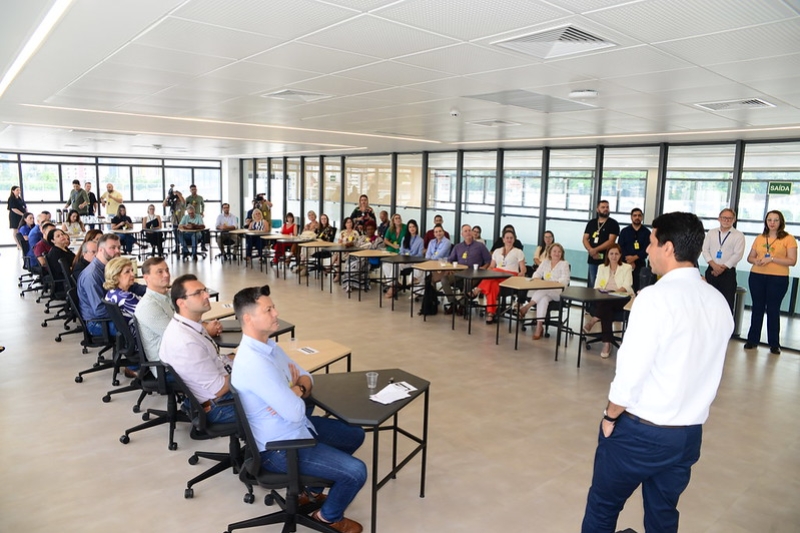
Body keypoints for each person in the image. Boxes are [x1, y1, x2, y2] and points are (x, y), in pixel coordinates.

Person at [581, 212, 733, 533]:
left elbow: (631, 372)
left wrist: (610, 416)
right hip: (687, 436)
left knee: (603, 506)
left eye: (651, 243)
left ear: (667, 247)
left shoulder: (654, 298)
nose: (647, 250)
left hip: (642, 432)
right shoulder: (718, 302)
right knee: (663, 513)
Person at [230, 285, 366, 533]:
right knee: (356, 472)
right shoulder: (254, 362)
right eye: (268, 309)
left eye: (273, 307)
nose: (276, 313)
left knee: (355, 434)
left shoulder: (270, 347)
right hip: (280, 448)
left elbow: (306, 377)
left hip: (297, 426)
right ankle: (327, 517)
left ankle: (309, 493)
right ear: (248, 318)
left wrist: (294, 391)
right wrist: (293, 394)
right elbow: (294, 411)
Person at [159, 274, 236, 424]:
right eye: (198, 293)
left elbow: (213, 361)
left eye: (205, 290)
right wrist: (248, 368)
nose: (207, 295)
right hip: (220, 406)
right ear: (182, 303)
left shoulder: (189, 325)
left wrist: (237, 357)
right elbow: (219, 388)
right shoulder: (186, 342)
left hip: (215, 393)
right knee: (284, 397)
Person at [135, 258, 221, 375]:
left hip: (185, 355)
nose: (166, 275)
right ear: (146, 278)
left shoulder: (169, 296)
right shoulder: (148, 306)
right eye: (159, 272)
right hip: (168, 367)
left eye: (167, 270)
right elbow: (177, 336)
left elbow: (187, 321)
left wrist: (207, 325)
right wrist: (207, 330)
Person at [744, 210, 797, 354]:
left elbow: (792, 261)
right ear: (766, 222)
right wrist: (756, 260)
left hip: (778, 278)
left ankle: (774, 343)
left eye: (775, 220)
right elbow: (750, 258)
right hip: (757, 276)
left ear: (781, 222)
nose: (772, 223)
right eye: (769, 220)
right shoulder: (760, 238)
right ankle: (752, 340)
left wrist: (771, 259)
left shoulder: (788, 239)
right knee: (757, 308)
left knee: (773, 310)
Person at [77, 234, 145, 336]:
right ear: (100, 250)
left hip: (111, 315)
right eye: (112, 248)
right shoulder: (92, 276)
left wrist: (152, 290)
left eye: (119, 247)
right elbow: (99, 310)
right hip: (98, 323)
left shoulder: (110, 267)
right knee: (144, 325)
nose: (118, 251)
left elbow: (132, 287)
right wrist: (127, 311)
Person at [583, 244, 633, 358]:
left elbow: (626, 285)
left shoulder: (626, 267)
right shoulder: (602, 267)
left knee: (607, 304)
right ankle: (607, 343)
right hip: (604, 298)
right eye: (611, 254)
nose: (614, 256)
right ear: (607, 255)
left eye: (616, 254)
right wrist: (604, 292)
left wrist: (614, 293)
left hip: (622, 298)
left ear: (620, 255)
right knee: (607, 309)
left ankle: (594, 320)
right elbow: (596, 285)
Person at [472, 229, 526, 324]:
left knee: (496, 270)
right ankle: (490, 314)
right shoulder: (497, 251)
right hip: (496, 277)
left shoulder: (518, 252)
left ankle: (477, 289)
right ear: (503, 239)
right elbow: (491, 266)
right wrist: (489, 271)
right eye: (507, 238)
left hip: (511, 277)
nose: (509, 240)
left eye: (511, 238)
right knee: (492, 285)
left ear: (514, 239)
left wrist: (521, 276)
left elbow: (523, 269)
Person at [519, 243, 571, 339]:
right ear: (550, 252)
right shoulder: (545, 262)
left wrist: (554, 283)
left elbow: (565, 280)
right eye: (554, 251)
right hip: (546, 291)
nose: (557, 253)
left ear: (562, 254)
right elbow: (537, 273)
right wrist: (537, 278)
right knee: (544, 299)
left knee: (545, 290)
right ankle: (539, 326)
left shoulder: (564, 264)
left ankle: (527, 306)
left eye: (559, 252)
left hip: (558, 292)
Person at [437, 224, 492, 315]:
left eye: (469, 230)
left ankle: (462, 305)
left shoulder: (480, 246)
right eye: (465, 231)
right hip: (459, 273)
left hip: (475, 274)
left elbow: (488, 260)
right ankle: (453, 303)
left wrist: (484, 267)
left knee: (467, 281)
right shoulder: (458, 247)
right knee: (444, 279)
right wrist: (450, 269)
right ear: (462, 234)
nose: (468, 233)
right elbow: (450, 260)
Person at [701, 208, 745, 314]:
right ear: (719, 219)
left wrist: (722, 268)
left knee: (727, 303)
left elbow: (738, 254)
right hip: (711, 271)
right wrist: (714, 265)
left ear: (734, 220)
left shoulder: (739, 235)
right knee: (708, 302)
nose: (726, 220)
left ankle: (726, 330)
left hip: (728, 273)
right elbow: (705, 250)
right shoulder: (711, 233)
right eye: (724, 218)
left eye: (730, 218)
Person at [103, 256, 141, 343]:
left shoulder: (111, 293)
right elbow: (150, 315)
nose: (132, 274)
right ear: (116, 276)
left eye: (132, 270)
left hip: (127, 339)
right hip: (139, 341)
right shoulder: (127, 298)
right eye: (127, 272)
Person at [583, 200, 620, 289]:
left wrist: (595, 250)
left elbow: (611, 241)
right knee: (593, 283)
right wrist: (591, 250)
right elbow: (585, 239)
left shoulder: (613, 223)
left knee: (605, 283)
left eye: (607, 207)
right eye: (603, 207)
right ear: (597, 209)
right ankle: (592, 303)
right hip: (592, 259)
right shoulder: (591, 223)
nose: (605, 209)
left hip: (606, 259)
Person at [385, 219, 423, 300]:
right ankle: (394, 283)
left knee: (397, 265)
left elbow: (420, 255)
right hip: (403, 260)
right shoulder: (404, 238)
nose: (412, 229)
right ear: (408, 229)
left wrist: (409, 255)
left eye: (413, 227)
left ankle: (393, 286)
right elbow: (401, 251)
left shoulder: (420, 240)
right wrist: (404, 255)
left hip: (413, 261)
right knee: (386, 265)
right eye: (410, 227)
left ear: (416, 228)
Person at [341, 220, 383, 293]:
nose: (369, 231)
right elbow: (355, 243)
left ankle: (357, 284)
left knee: (355, 265)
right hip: (358, 255)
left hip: (369, 258)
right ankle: (349, 284)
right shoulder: (362, 237)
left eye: (371, 229)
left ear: (375, 229)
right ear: (365, 230)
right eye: (368, 229)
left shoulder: (378, 239)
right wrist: (349, 244)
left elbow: (379, 251)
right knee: (349, 260)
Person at [618, 208, 652, 292]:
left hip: (640, 264)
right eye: (635, 215)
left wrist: (635, 258)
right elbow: (620, 246)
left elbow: (647, 249)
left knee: (638, 287)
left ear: (642, 217)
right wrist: (629, 259)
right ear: (631, 217)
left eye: (639, 215)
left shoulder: (647, 232)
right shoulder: (624, 231)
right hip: (624, 263)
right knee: (624, 287)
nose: (637, 217)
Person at [185, 184, 209, 251]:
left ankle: (203, 245)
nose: (194, 190)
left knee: (202, 229)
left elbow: (203, 205)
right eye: (192, 189)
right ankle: (190, 245)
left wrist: (202, 212)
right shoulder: (188, 198)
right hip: (191, 216)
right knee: (191, 229)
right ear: (190, 190)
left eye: (195, 189)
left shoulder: (200, 197)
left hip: (198, 215)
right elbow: (185, 207)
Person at [163, 185, 185, 254]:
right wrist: (168, 196)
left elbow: (183, 201)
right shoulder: (173, 203)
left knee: (181, 237)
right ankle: (177, 248)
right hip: (174, 222)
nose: (177, 198)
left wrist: (178, 193)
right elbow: (164, 204)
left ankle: (184, 248)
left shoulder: (182, 204)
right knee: (176, 237)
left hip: (181, 223)